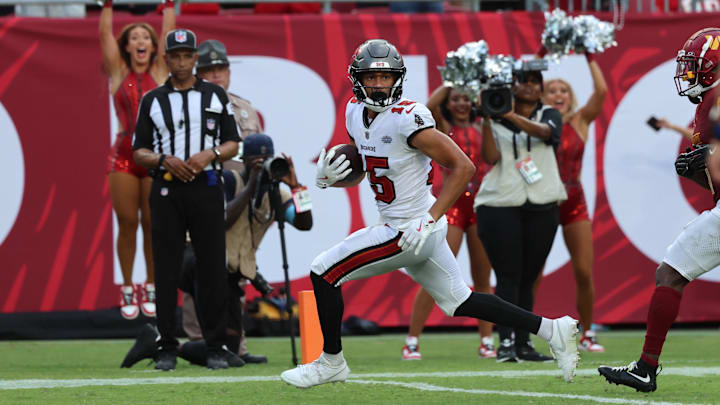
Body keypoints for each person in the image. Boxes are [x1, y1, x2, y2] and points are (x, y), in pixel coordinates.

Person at [280, 39, 579, 389]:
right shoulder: (352, 112)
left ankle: (331, 362)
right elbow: (375, 168)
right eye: (371, 77)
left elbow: (463, 167)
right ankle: (551, 329)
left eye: (386, 77)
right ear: (356, 78)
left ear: (398, 79)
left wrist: (431, 217)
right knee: (460, 300)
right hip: (410, 226)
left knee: (323, 271)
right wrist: (337, 177)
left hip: (408, 229)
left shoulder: (409, 117)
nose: (379, 84)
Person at [121, 135, 313, 369]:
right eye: (257, 160)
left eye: (267, 159)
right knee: (218, 335)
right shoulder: (228, 181)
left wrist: (296, 187)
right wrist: (252, 183)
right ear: (244, 160)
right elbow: (220, 221)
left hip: (228, 271)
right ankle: (191, 344)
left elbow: (305, 224)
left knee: (230, 352)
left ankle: (158, 344)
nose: (262, 165)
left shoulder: (276, 195)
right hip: (194, 259)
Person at [598, 27, 720, 393]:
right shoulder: (708, 103)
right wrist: (702, 171)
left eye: (693, 66)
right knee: (671, 272)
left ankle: (646, 367)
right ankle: (645, 367)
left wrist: (710, 159)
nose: (687, 74)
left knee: (671, 273)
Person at [132, 28, 240, 371]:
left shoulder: (215, 96)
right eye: (174, 56)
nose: (180, 62)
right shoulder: (152, 100)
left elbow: (232, 142)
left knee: (212, 265)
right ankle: (166, 344)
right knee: (166, 266)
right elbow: (139, 151)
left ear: (195, 59)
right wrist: (166, 160)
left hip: (206, 185)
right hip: (167, 187)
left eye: (186, 56)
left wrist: (208, 154)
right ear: (165, 60)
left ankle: (216, 344)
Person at [181, 39, 267, 364]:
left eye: (221, 68)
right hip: (201, 193)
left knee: (235, 271)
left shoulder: (244, 108)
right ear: (197, 73)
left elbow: (254, 154)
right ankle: (199, 341)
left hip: (238, 199)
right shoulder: (186, 108)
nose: (216, 75)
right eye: (208, 70)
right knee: (199, 269)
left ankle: (235, 344)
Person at [474, 67, 568, 363]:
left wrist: (509, 114)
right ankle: (505, 343)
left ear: (540, 88)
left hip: (543, 202)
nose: (528, 86)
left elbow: (547, 134)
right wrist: (490, 118)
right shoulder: (493, 115)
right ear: (512, 87)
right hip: (499, 203)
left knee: (528, 278)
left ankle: (524, 343)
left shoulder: (550, 113)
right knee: (507, 276)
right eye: (522, 81)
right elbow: (489, 158)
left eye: (533, 81)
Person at [401, 85, 496, 361]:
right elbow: (429, 106)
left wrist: (482, 104)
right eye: (456, 99)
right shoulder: (439, 126)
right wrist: (451, 83)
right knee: (434, 274)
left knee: (482, 278)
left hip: (479, 206)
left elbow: (492, 158)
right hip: (450, 207)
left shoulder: (482, 126)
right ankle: (412, 340)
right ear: (448, 102)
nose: (462, 104)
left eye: (467, 99)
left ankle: (487, 340)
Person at [99, 0, 175, 320]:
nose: (141, 41)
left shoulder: (160, 70)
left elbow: (168, 31)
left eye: (146, 37)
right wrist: (106, 5)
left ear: (153, 46)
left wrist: (169, 5)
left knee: (151, 224)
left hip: (155, 154)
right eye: (135, 38)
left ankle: (152, 284)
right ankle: (128, 285)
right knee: (127, 221)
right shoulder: (118, 72)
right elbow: (104, 35)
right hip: (123, 155)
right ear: (127, 47)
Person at [537, 52, 607, 353]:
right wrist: (539, 57)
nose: (558, 95)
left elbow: (602, 91)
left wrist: (589, 53)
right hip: (544, 199)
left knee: (584, 272)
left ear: (570, 96)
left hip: (574, 199)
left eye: (563, 90)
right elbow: (522, 87)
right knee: (533, 272)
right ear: (542, 96)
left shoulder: (580, 119)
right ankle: (523, 334)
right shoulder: (536, 121)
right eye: (552, 90)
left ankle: (588, 332)